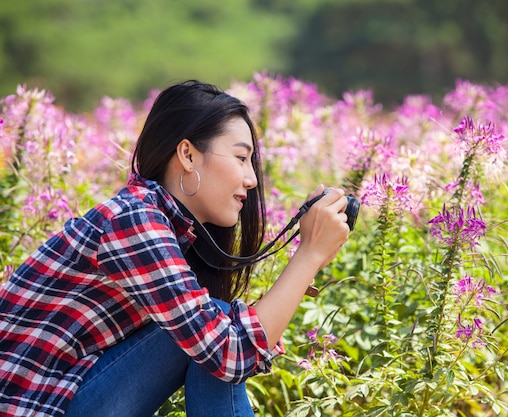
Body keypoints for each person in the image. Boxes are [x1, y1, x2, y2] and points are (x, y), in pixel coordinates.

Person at [0, 80, 351, 417]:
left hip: (71, 398)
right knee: (218, 328)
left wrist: (310, 254)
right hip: (35, 408)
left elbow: (224, 349)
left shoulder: (169, 228)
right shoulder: (135, 221)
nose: (252, 179)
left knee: (215, 326)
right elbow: (231, 353)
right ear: (187, 154)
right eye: (241, 158)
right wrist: (309, 256)